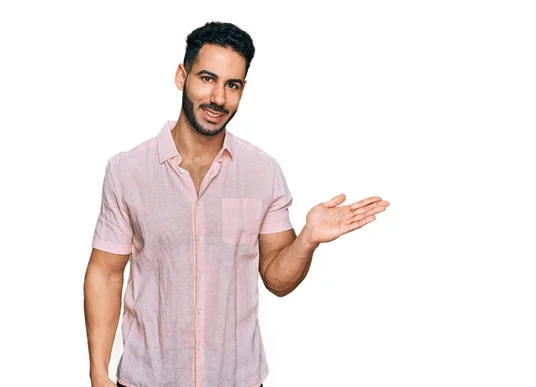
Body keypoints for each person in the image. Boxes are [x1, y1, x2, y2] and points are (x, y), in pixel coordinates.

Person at [83, 21, 389, 387]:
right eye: (207, 78)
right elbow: (106, 272)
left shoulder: (263, 172)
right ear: (182, 76)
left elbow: (277, 279)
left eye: (232, 85)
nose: (218, 98)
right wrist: (99, 374)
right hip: (148, 379)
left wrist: (307, 239)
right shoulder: (127, 170)